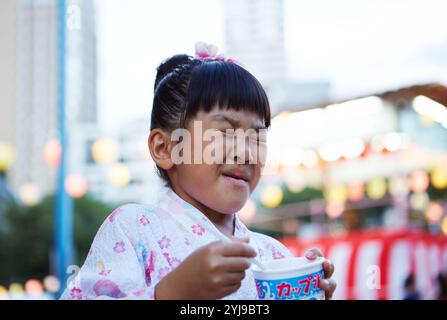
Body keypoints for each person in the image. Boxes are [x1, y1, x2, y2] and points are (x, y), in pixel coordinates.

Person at [60, 42, 336, 300]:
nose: (246, 152)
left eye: (256, 137)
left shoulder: (274, 256)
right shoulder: (132, 229)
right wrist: (170, 292)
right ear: (165, 148)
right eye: (225, 131)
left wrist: (307, 290)